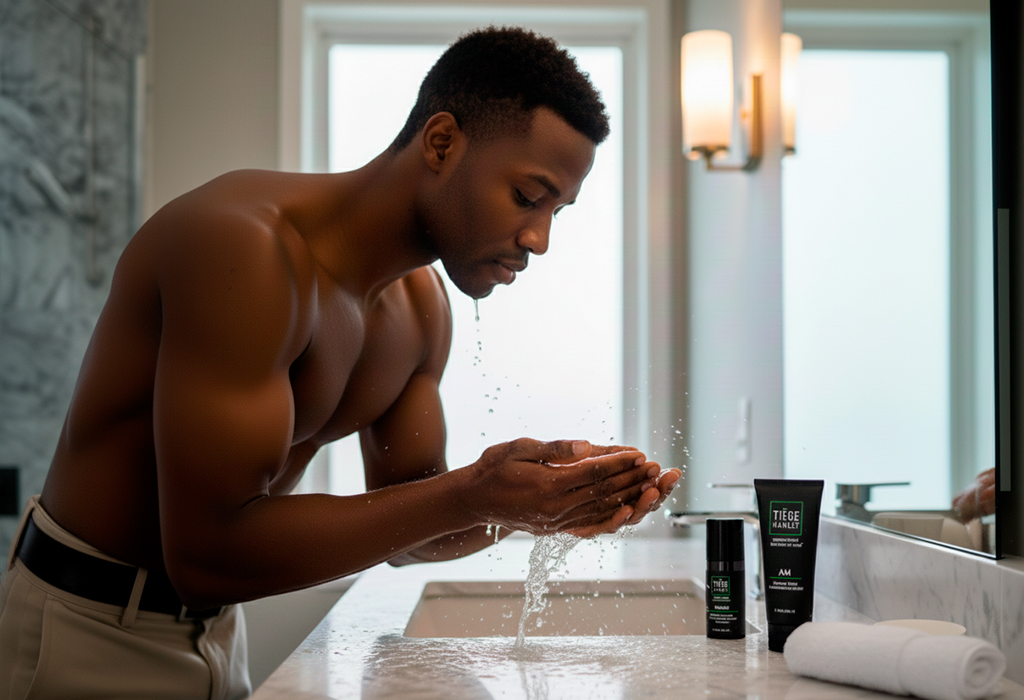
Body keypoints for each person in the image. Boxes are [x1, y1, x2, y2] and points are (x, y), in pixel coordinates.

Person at [0, 26, 681, 700]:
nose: (538, 239)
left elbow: (415, 534)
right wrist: (475, 491)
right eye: (528, 197)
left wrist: (536, 508)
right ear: (441, 143)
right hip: (83, 632)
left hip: (216, 638)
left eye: (558, 211)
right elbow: (205, 554)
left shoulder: (419, 312)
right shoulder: (242, 249)